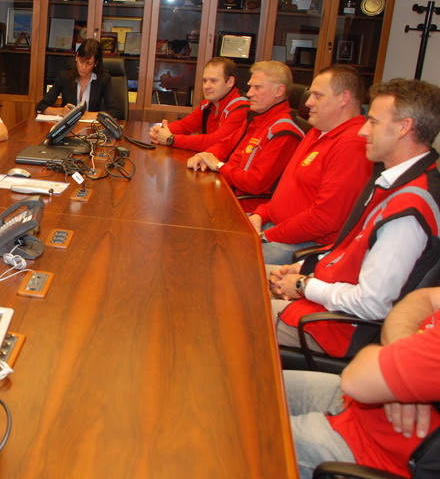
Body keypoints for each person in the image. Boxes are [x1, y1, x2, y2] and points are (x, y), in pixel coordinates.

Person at [270, 78, 440, 357]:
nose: (363, 130)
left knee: (230, 314)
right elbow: (349, 250)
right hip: (323, 301)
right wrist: (302, 268)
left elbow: (371, 304)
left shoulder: (409, 209)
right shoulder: (393, 181)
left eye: (373, 122)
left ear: (403, 127)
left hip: (336, 328)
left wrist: (304, 285)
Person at [284, 285, 440, 479]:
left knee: (230, 442)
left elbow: (356, 380)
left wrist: (399, 367)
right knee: (254, 386)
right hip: (363, 407)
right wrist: (403, 364)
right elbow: (424, 296)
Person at [250, 66, 372, 264]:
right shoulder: (318, 130)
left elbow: (325, 219)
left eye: (317, 95)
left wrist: (268, 235)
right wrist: (260, 214)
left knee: (226, 259)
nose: (308, 102)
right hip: (274, 226)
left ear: (344, 98)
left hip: (304, 243)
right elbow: (289, 190)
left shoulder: (353, 144)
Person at [187, 61, 304, 198]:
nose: (249, 93)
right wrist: (204, 156)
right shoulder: (257, 118)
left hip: (246, 204)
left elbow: (254, 183)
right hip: (228, 188)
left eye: (257, 87)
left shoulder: (284, 132)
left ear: (279, 91)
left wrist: (218, 165)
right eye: (250, 87)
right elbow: (225, 145)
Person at [148, 57, 249, 151]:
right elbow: (185, 125)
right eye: (204, 81)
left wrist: (171, 139)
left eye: (213, 81)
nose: (206, 86)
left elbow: (214, 142)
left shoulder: (241, 108)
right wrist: (160, 131)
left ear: (230, 82)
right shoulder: (207, 104)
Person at [35, 39, 122, 118]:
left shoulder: (103, 79)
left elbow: (115, 111)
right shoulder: (64, 76)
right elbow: (40, 107)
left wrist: (87, 115)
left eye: (89, 63)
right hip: (68, 127)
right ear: (76, 56)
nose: (83, 67)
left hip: (91, 127)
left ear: (95, 63)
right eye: (81, 61)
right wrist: (61, 111)